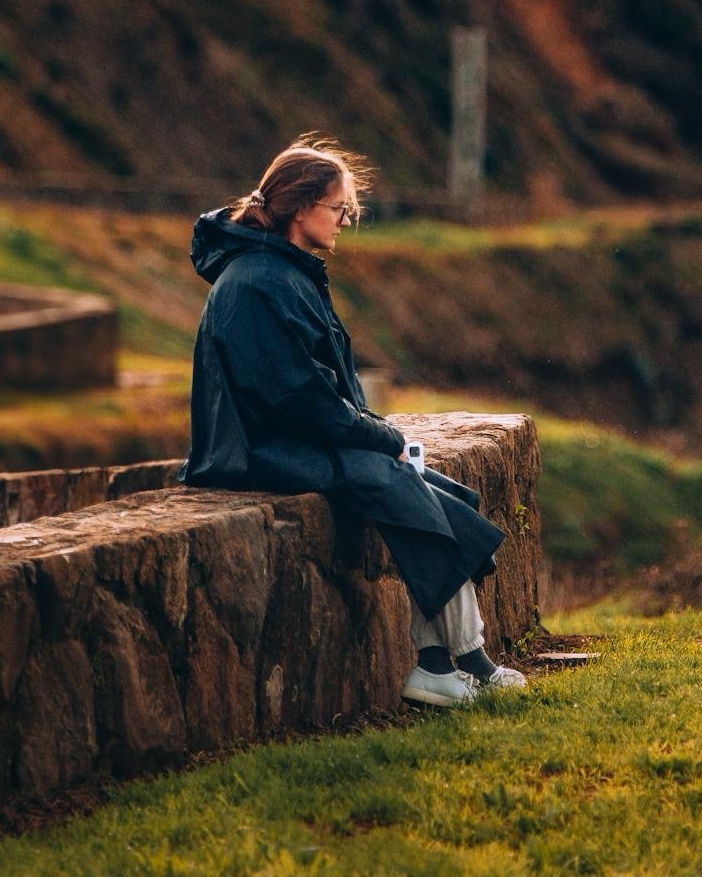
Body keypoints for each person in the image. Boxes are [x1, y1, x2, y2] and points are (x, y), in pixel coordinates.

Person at [181, 133, 524, 706]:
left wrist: (374, 436)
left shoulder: (280, 271)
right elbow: (299, 398)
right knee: (398, 481)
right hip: (255, 453)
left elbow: (314, 390)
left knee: (439, 493)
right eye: (340, 209)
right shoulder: (257, 283)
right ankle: (454, 663)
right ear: (300, 207)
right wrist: (380, 435)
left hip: (287, 442)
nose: (346, 221)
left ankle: (451, 663)